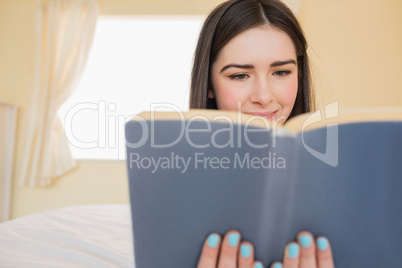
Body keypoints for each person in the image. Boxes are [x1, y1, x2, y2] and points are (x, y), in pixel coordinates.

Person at [189, 0, 335, 267]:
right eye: (239, 76)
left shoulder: (336, 180)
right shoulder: (179, 186)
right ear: (209, 84)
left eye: (281, 72)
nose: (264, 97)